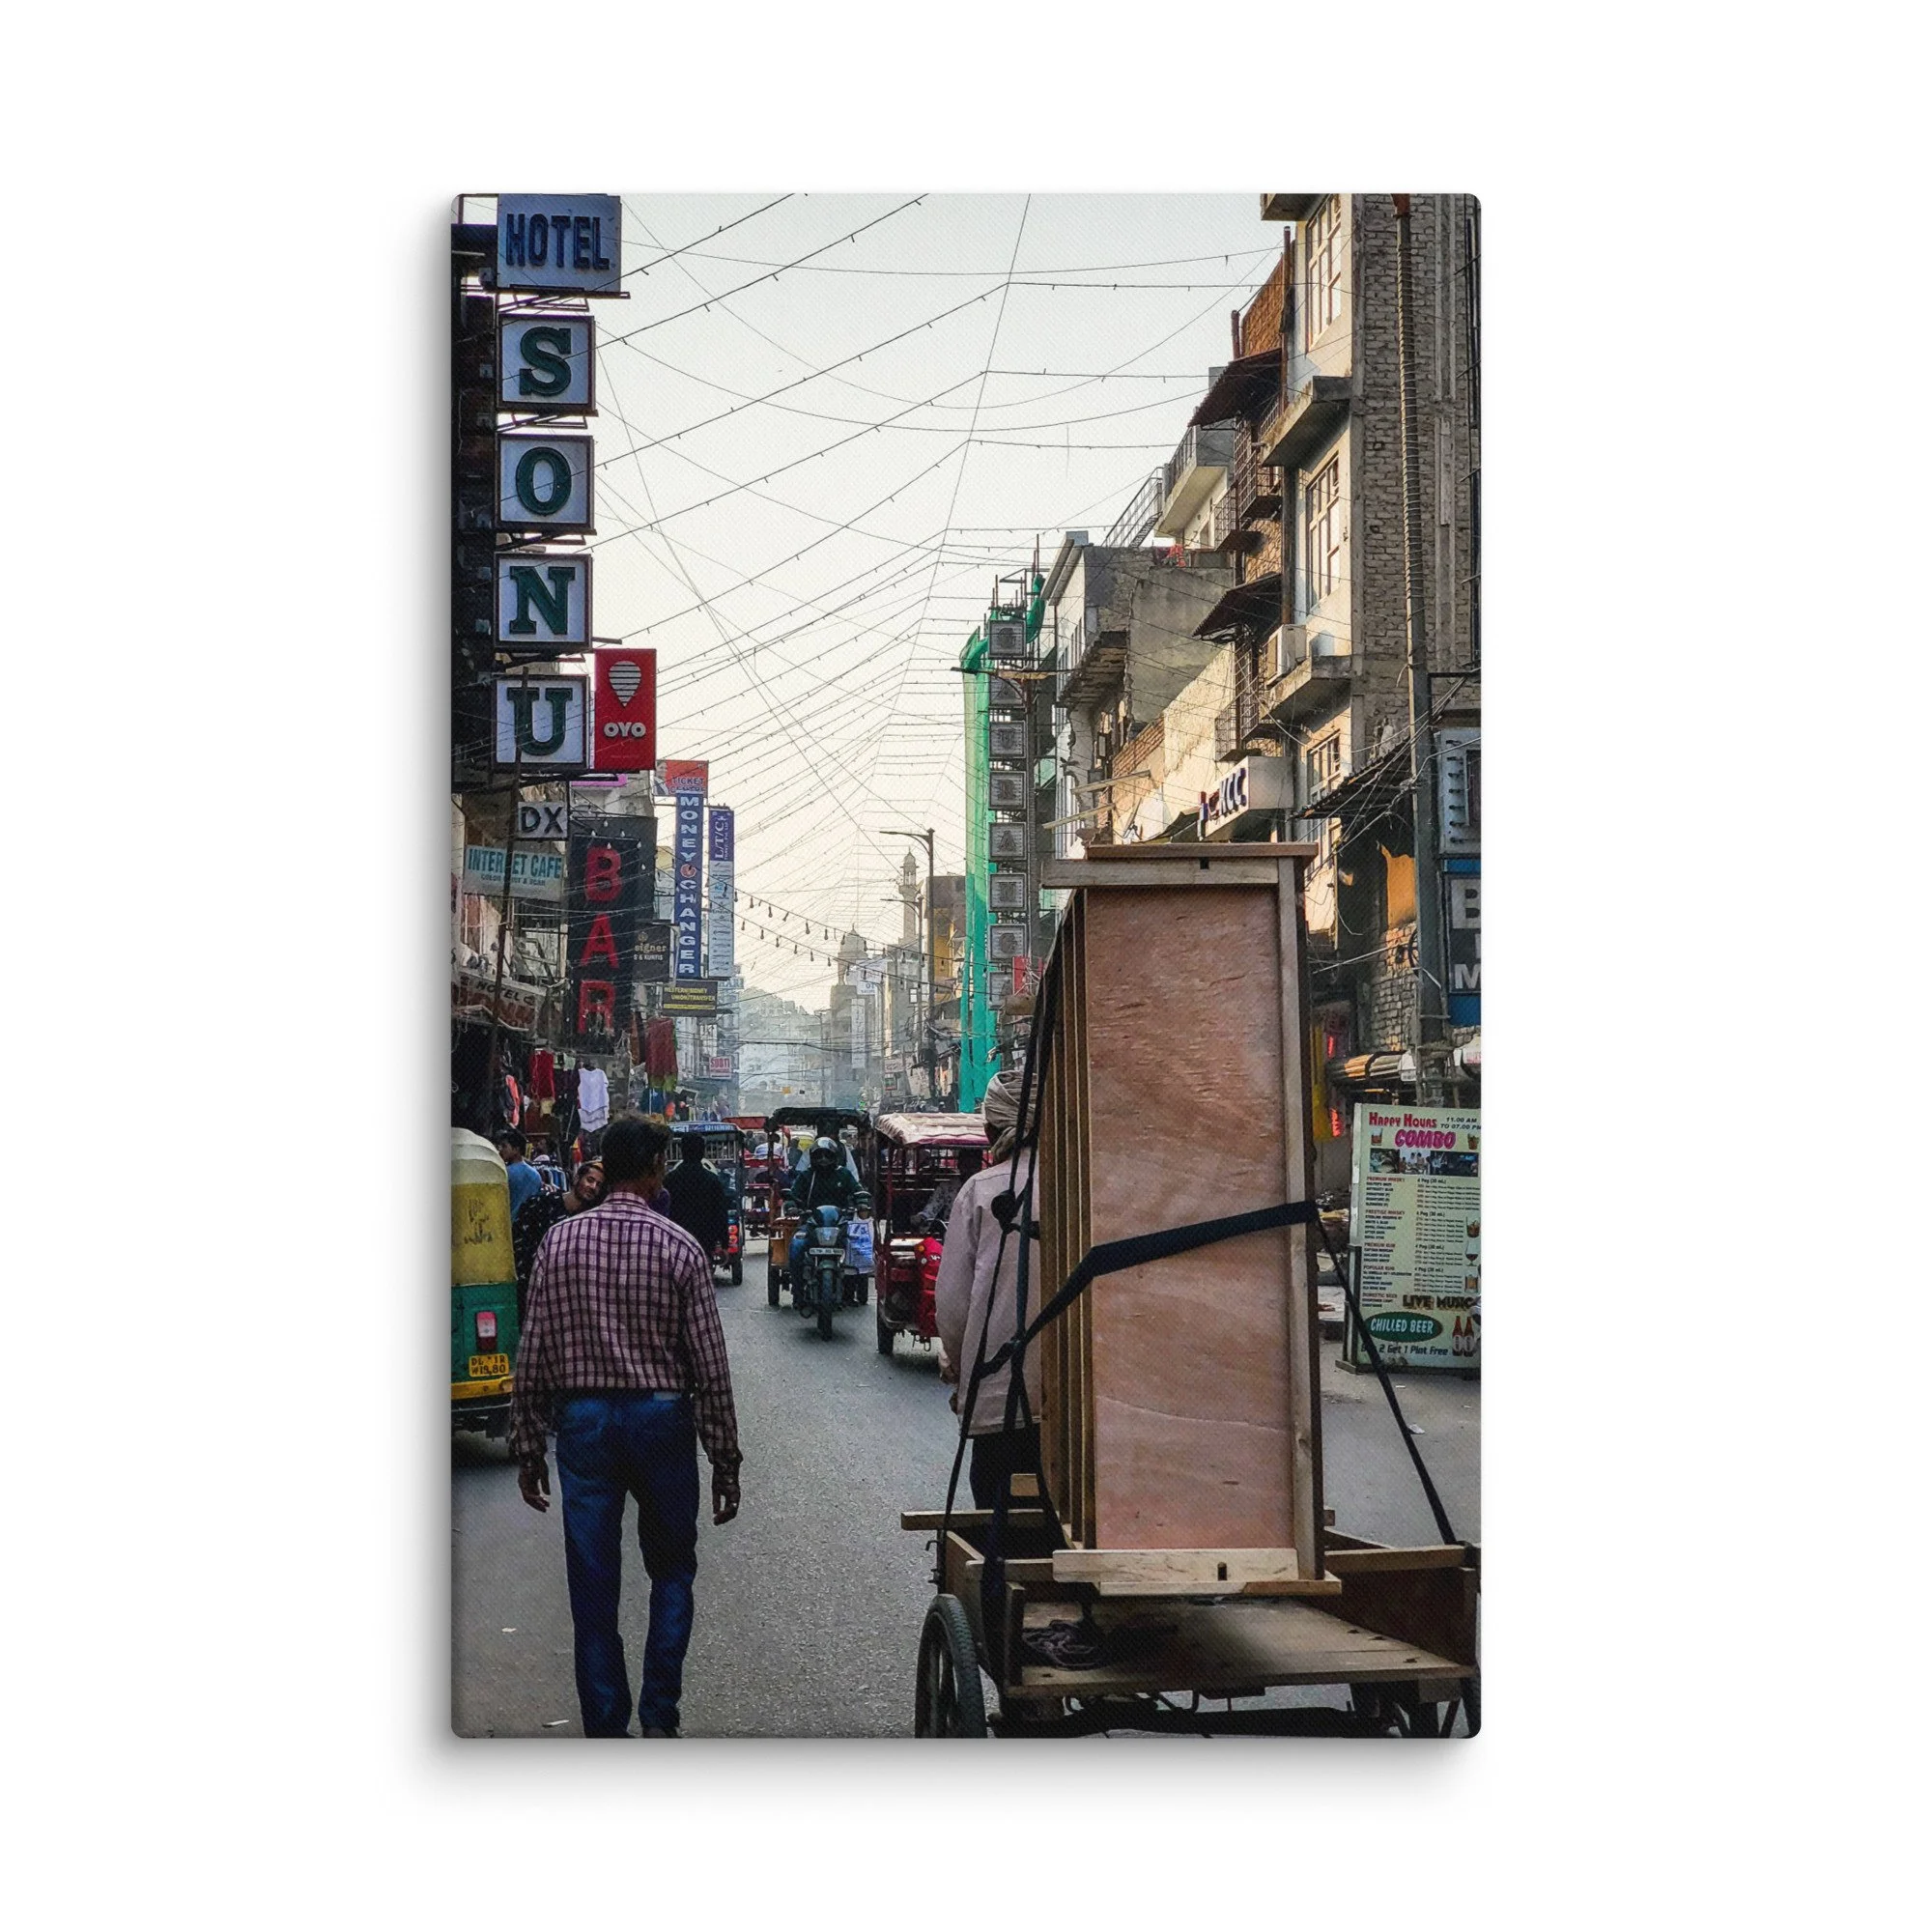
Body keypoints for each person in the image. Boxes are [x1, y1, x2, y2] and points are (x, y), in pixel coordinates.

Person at [510, 1114, 742, 1739]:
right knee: (671, 1571)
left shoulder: (559, 1243)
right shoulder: (680, 1248)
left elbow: (534, 1351)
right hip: (662, 1419)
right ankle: (659, 1718)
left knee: (593, 1589)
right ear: (654, 1169)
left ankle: (607, 1731)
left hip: (583, 1423)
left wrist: (528, 1445)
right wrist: (725, 1459)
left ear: (606, 1168)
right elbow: (710, 1368)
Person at [934, 1071, 1045, 1509]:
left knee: (1003, 1537)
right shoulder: (1087, 1183)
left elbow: (955, 1308)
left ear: (991, 1132)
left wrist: (961, 1372)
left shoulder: (981, 1191)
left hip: (1004, 1405)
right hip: (1090, 1411)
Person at [511, 1157, 606, 1316]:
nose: (593, 1187)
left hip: (569, 1300)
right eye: (590, 1180)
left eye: (599, 1185)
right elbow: (519, 1246)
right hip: (533, 1292)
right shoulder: (541, 1204)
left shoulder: (591, 1220)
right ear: (577, 1178)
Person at [787, 1136, 870, 1282]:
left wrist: (862, 1202)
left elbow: (857, 1190)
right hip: (811, 1222)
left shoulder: (844, 1174)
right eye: (819, 1155)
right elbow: (793, 1196)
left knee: (860, 1246)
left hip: (841, 1223)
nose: (823, 1159)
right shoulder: (806, 1176)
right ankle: (798, 1291)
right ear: (813, 1157)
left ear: (835, 1156)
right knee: (796, 1246)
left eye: (827, 1155)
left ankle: (856, 1284)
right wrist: (792, 1206)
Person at [662, 1131, 730, 1259]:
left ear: (682, 1151)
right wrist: (724, 1245)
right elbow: (720, 1214)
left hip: (675, 1242)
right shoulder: (712, 1181)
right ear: (702, 1152)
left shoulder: (669, 1180)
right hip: (704, 1243)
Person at [497, 1128, 543, 1220]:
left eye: (504, 1146)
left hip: (506, 1225)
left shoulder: (504, 1173)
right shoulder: (536, 1175)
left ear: (516, 1150)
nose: (500, 1150)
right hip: (527, 1226)